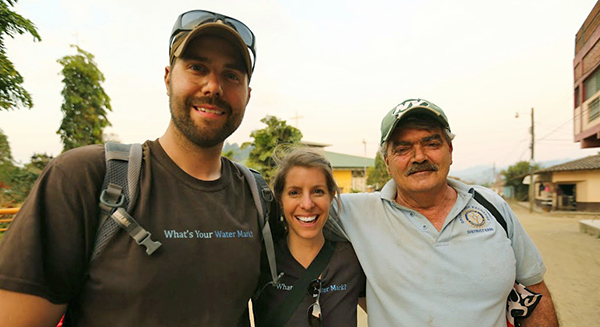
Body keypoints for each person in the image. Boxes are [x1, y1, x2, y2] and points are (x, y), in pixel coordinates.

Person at [0, 9, 267, 326]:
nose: (213, 87)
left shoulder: (259, 197)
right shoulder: (85, 178)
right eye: (197, 67)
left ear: (248, 95)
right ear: (168, 77)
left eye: (231, 75)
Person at [334, 98, 559, 326]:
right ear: (387, 163)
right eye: (403, 149)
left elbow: (535, 292)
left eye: (431, 144)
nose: (419, 157)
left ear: (450, 151)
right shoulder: (354, 212)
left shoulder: (491, 206)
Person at [253, 148, 365, 327]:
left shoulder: (353, 259)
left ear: (331, 196)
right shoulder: (261, 261)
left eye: (318, 191)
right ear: (280, 199)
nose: (307, 204)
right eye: (294, 192)